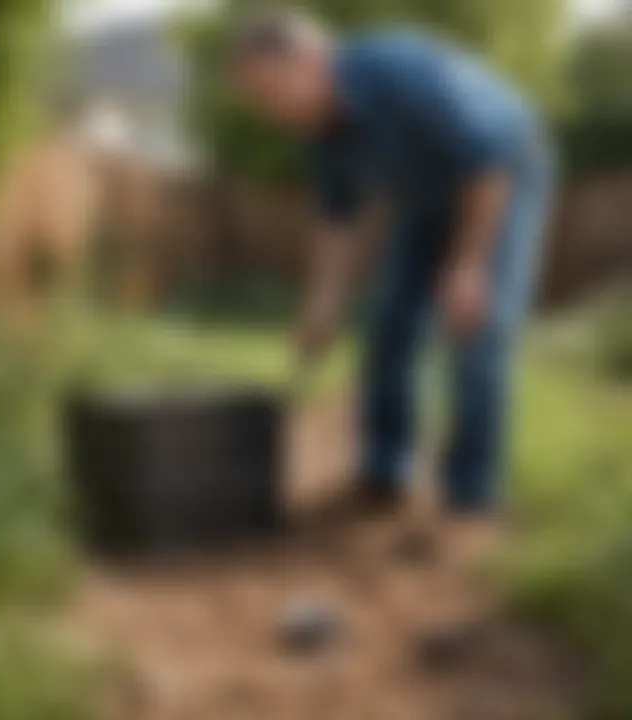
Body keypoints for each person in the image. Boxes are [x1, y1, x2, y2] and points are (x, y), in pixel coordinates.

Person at [228, 9, 554, 557]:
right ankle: (385, 474)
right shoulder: (322, 134)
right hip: (427, 200)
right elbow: (337, 222)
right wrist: (322, 307)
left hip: (503, 174)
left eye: (271, 90)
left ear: (309, 61)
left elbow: (487, 159)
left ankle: (470, 500)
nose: (269, 111)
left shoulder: (397, 70)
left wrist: (468, 266)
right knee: (389, 321)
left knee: (478, 329)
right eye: (259, 100)